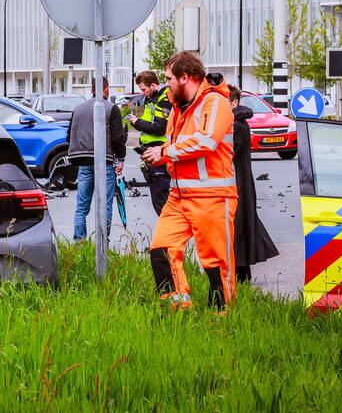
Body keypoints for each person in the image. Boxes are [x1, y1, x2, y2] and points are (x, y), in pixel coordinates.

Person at [142, 52, 236, 312]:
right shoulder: (178, 108)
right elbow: (177, 146)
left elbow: (206, 141)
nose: (166, 83)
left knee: (216, 264)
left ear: (185, 77)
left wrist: (164, 152)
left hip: (213, 197)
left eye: (170, 78)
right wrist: (158, 154)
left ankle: (222, 319)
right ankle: (178, 313)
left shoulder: (214, 102)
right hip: (179, 196)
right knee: (161, 250)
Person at [227, 85, 279, 283]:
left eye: (224, 102)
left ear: (234, 102)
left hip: (238, 181)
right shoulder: (236, 122)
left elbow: (230, 153)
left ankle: (240, 275)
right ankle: (240, 274)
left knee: (239, 225)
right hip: (240, 180)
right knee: (241, 224)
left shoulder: (236, 125)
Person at [66, 77, 127, 242]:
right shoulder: (111, 108)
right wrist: (121, 158)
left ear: (92, 89)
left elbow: (69, 135)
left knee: (81, 205)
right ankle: (102, 243)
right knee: (105, 205)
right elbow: (117, 138)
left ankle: (79, 242)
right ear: (106, 89)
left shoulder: (78, 109)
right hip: (104, 162)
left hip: (84, 162)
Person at [126, 70, 173, 215]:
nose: (142, 92)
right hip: (150, 150)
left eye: (144, 89)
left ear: (153, 85)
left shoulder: (164, 99)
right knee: (156, 196)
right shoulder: (151, 98)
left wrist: (137, 122)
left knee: (160, 197)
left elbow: (160, 128)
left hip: (159, 150)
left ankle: (168, 232)